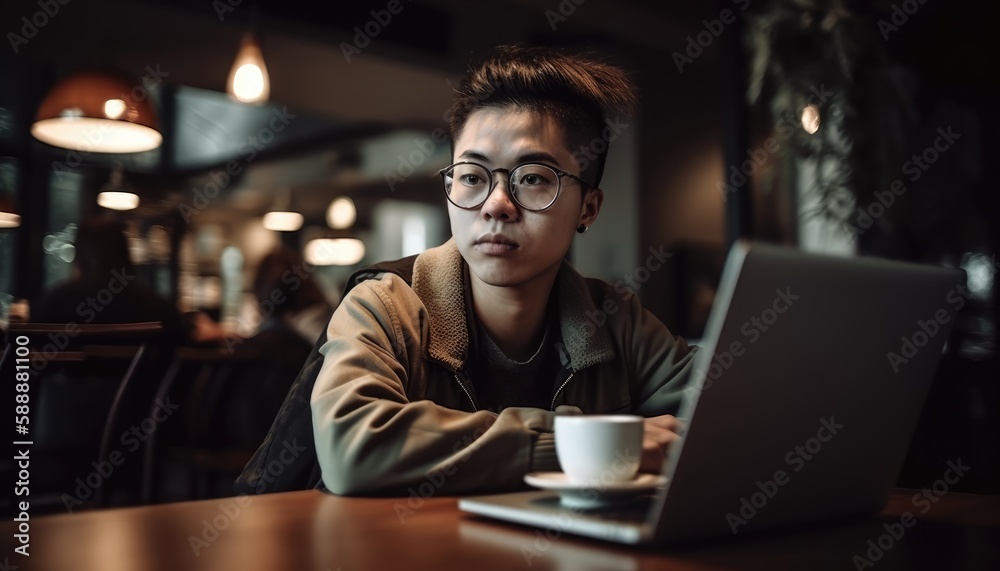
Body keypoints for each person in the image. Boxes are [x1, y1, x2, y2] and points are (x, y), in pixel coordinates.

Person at [310, 44, 698, 495]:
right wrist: (581, 444)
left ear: (588, 208)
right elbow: (353, 446)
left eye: (532, 178)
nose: (496, 206)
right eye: (473, 176)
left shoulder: (615, 321)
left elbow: (724, 423)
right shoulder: (385, 306)